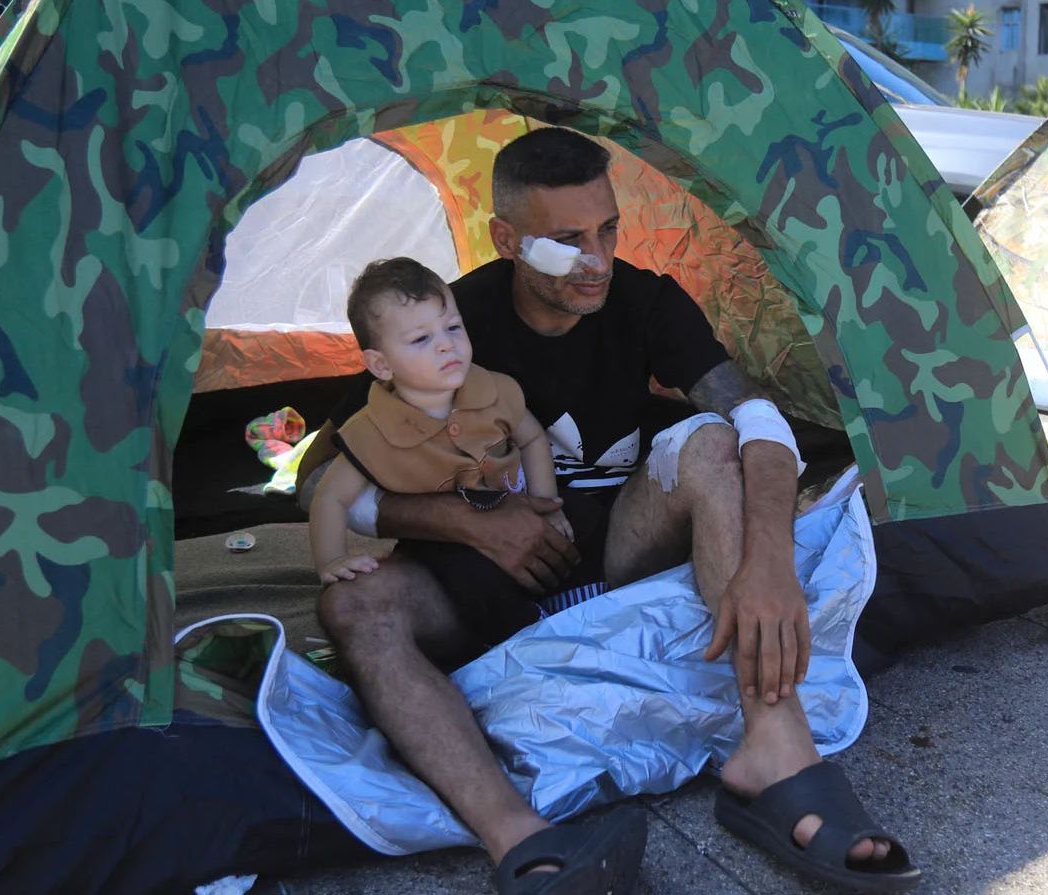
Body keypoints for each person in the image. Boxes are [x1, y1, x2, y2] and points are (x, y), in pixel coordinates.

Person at [298, 128, 920, 894]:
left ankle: (776, 753)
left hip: (616, 553)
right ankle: (522, 842)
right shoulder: (448, 324)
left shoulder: (643, 300)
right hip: (481, 582)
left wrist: (769, 561)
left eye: (608, 230)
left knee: (713, 440)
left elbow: (761, 422)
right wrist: (469, 521)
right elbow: (318, 475)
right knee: (354, 606)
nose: (596, 259)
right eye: (566, 242)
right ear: (507, 241)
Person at [308, 257, 571, 591]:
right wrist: (332, 560)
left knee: (586, 519)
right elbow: (330, 496)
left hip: (517, 503)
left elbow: (533, 440)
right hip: (445, 545)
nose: (447, 344)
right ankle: (521, 629)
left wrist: (547, 504)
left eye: (453, 327)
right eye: (421, 339)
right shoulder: (371, 429)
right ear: (381, 364)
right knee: (471, 584)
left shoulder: (494, 388)